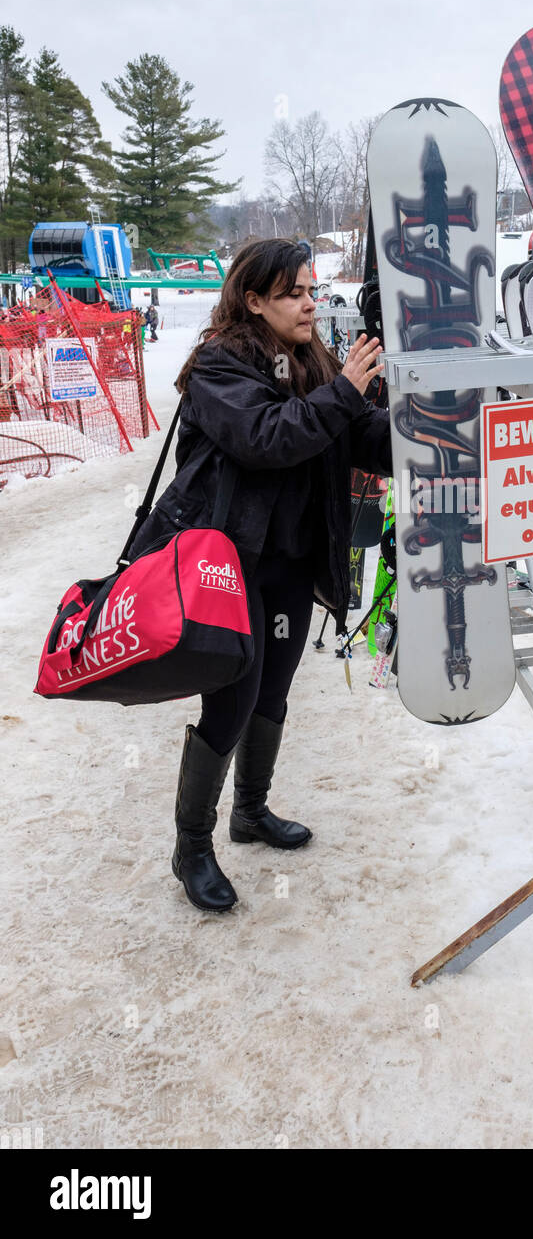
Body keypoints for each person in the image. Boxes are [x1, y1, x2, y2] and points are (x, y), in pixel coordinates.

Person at [128, 238, 391, 912]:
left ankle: (251, 810)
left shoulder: (313, 360)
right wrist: (343, 393)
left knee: (273, 689)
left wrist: (427, 419)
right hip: (227, 568)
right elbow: (269, 438)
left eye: (312, 290)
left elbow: (362, 438)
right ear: (253, 300)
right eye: (295, 293)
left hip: (291, 562)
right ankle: (192, 848)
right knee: (232, 699)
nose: (311, 303)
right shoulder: (219, 365)